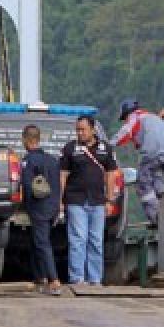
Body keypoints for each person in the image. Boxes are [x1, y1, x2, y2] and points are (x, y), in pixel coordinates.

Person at [61, 116, 120, 286]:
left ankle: (95, 280)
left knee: (96, 241)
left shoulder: (105, 149)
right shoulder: (70, 148)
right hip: (75, 200)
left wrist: (109, 200)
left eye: (83, 130)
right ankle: (77, 279)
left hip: (98, 201)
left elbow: (111, 175)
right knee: (78, 239)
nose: (80, 133)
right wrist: (60, 200)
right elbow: (62, 175)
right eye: (78, 130)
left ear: (93, 130)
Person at [112, 98, 164, 226]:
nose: (125, 121)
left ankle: (156, 217)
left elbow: (125, 132)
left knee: (143, 181)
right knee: (155, 174)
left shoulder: (135, 117)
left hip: (154, 151)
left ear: (127, 113)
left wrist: (108, 145)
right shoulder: (153, 116)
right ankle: (163, 204)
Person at [21, 124, 63, 295]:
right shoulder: (52, 160)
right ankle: (40, 277)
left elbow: (27, 186)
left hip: (38, 208)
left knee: (42, 243)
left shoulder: (28, 161)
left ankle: (54, 281)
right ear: (38, 139)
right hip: (52, 207)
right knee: (37, 242)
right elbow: (58, 184)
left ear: (26, 140)